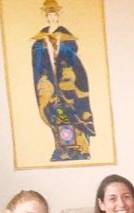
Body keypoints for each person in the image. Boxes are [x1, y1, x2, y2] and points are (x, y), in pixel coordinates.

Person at [31, 0, 94, 161]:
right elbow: (36, 53)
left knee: (68, 112)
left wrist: (58, 46)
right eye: (49, 15)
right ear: (46, 16)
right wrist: (45, 47)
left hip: (65, 81)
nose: (52, 18)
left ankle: (77, 147)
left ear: (58, 16)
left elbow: (73, 50)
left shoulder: (64, 33)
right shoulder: (42, 34)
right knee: (55, 112)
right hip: (50, 79)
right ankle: (63, 146)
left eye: (54, 15)